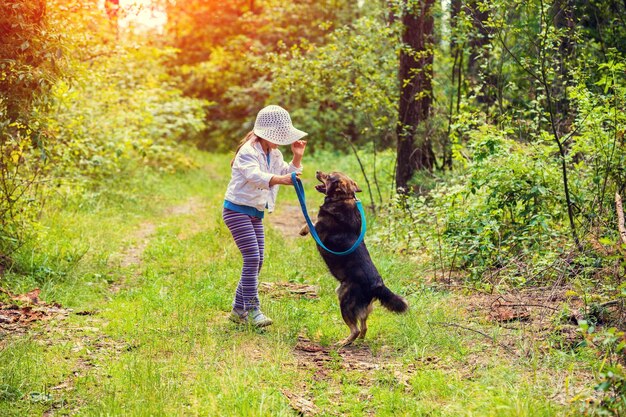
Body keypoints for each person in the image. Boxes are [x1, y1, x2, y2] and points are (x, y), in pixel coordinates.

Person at [223, 105, 308, 327]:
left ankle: (237, 310)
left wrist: (297, 158)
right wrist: (282, 180)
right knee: (252, 258)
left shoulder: (275, 153)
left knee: (258, 260)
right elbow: (256, 176)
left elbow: (286, 174)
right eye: (277, 137)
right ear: (265, 133)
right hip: (236, 210)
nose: (279, 141)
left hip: (254, 212)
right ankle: (252, 310)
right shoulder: (248, 151)